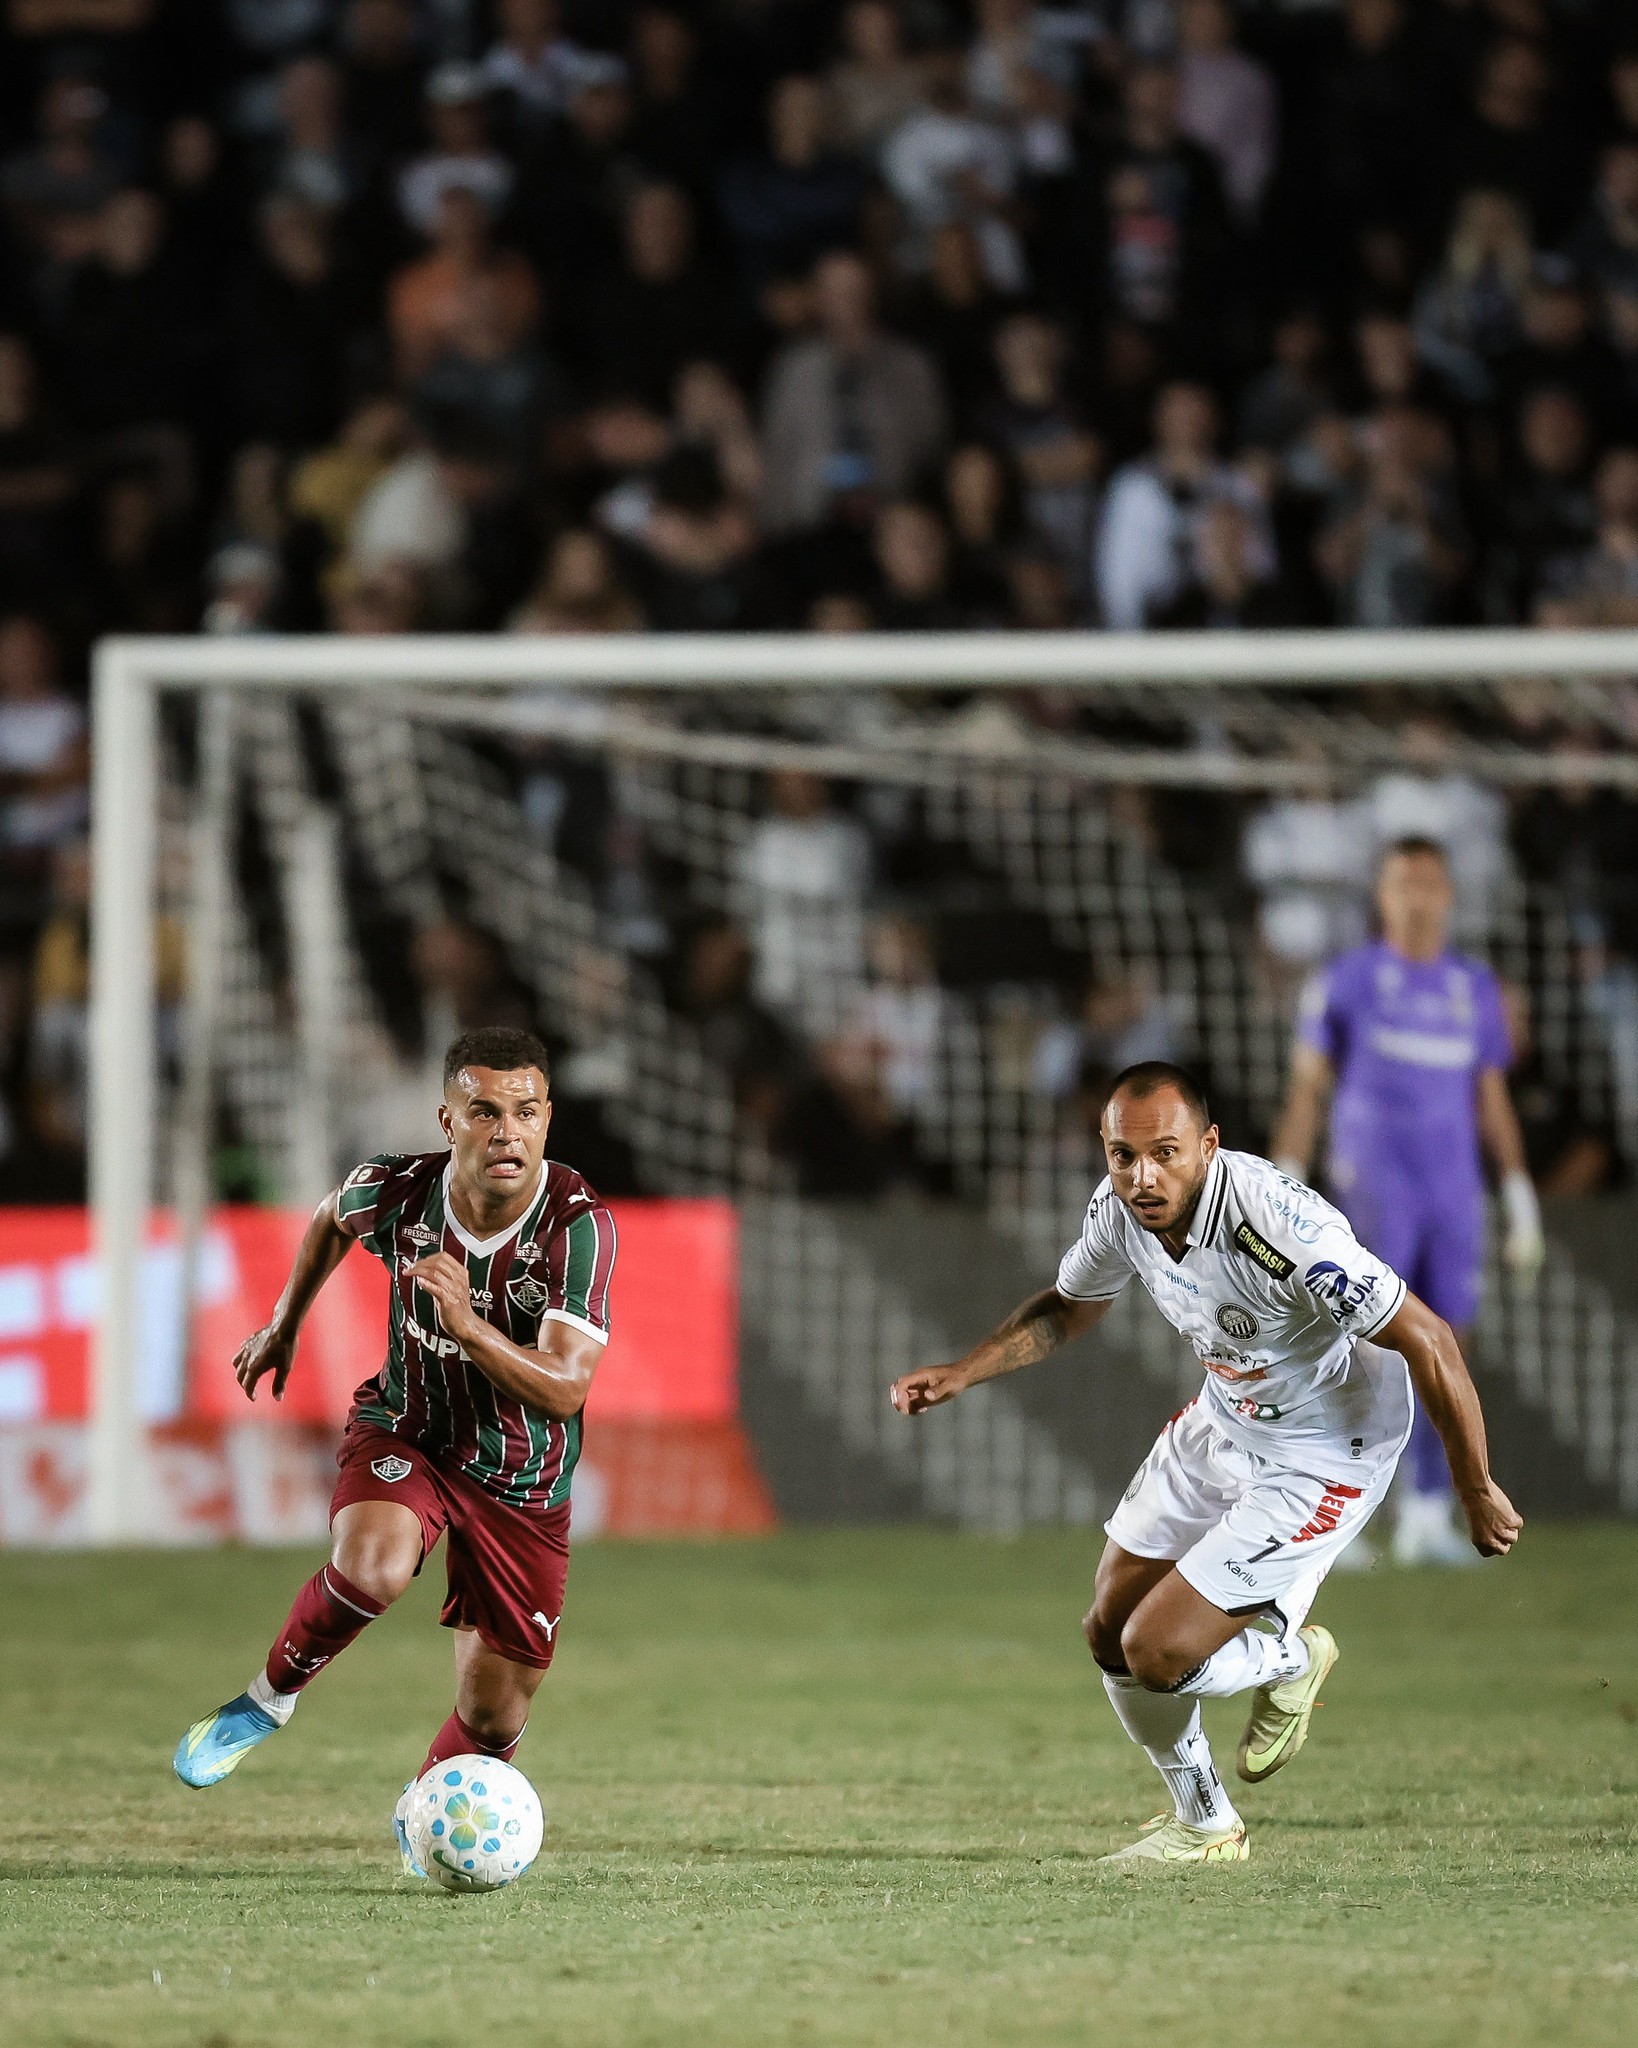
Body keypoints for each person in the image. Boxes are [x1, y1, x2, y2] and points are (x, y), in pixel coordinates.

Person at [891, 1060, 1521, 1864]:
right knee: (1108, 1631)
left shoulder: (1278, 1225)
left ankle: (1291, 1657)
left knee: (1158, 1652)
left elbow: (1428, 1340)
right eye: (1124, 1155)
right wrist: (962, 1371)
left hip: (1326, 1452)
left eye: (1166, 1152)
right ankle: (1205, 1822)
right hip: (1227, 1419)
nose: (1143, 1175)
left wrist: (1473, 1486)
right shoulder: (1119, 1211)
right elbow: (1069, 1307)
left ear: (1208, 1146)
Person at [172, 1027, 617, 1881]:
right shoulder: (400, 1192)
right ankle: (265, 1702)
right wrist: (283, 1323)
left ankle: (424, 1813)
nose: (507, 1132)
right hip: (407, 1432)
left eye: (526, 1112)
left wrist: (470, 1326)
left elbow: (565, 1388)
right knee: (372, 1565)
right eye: (484, 1111)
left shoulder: (578, 1227)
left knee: (491, 1721)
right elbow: (329, 1218)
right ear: (447, 1119)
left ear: (549, 1117)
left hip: (522, 1479)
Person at [1270, 838, 1542, 1567]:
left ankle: (1427, 1508)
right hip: (1374, 1184)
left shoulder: (1473, 988)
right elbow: (1308, 1086)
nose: (1418, 896)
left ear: (1448, 894)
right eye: (1402, 883)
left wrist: (1520, 1196)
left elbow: (1491, 1095)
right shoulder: (1347, 981)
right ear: (1381, 896)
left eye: (1429, 882)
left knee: (1449, 1342)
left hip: (1454, 1190)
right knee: (1362, 1344)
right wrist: (1281, 1182)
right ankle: (1329, 1509)